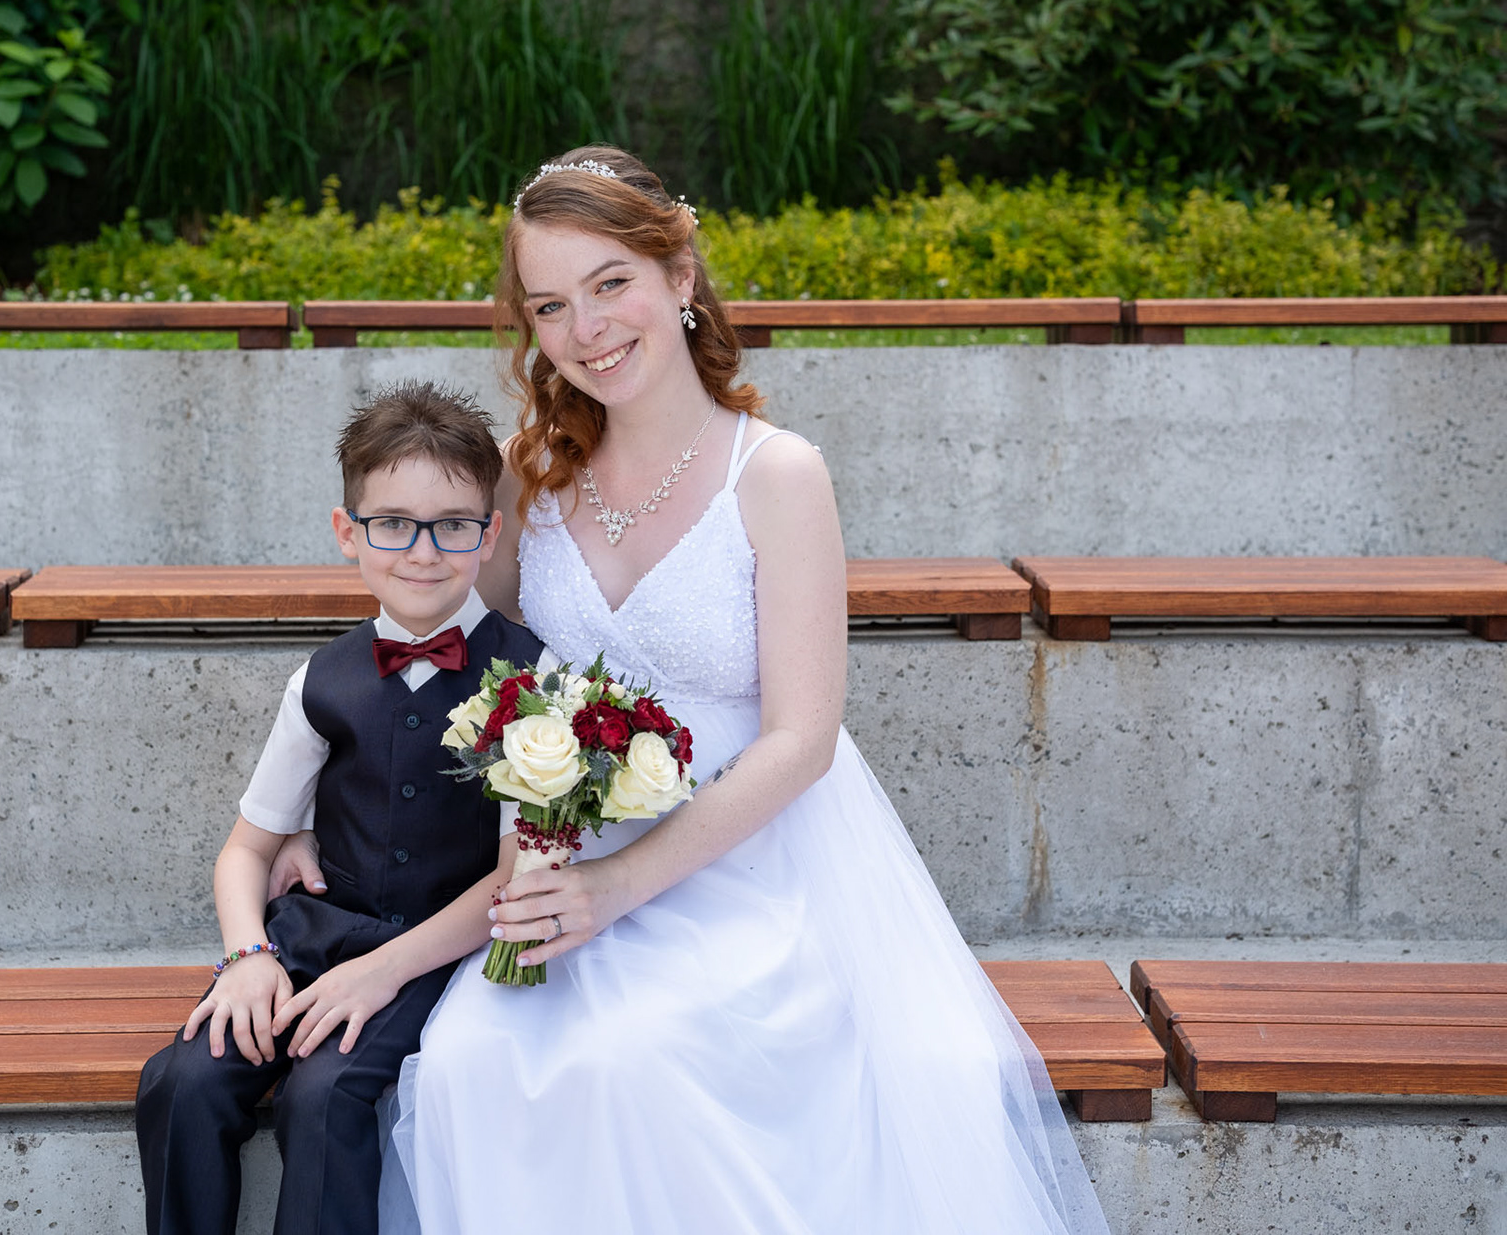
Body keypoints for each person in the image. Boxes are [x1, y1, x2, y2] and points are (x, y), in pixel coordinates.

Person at [277, 147, 1110, 1233]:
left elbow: (803, 739)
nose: (586, 328)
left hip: (750, 866)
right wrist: (315, 807)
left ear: (680, 275)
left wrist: (618, 890)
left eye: (611, 283)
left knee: (641, 1057)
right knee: (475, 1059)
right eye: (550, 305)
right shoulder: (528, 476)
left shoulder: (778, 474)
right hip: (559, 859)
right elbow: (437, 649)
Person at [133, 381, 546, 1235]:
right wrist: (248, 955)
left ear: (489, 533)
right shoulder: (321, 679)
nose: (422, 552)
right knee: (183, 1079)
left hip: (434, 952)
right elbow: (246, 851)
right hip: (311, 938)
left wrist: (388, 967)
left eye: (452, 525)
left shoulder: (534, 680)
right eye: (392, 523)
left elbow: (516, 878)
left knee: (324, 1095)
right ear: (347, 532)